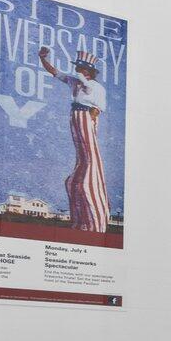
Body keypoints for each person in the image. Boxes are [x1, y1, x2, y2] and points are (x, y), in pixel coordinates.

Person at [37, 44, 112, 234]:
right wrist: (43, 59)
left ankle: (96, 217)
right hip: (75, 116)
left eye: (80, 68)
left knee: (90, 156)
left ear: (88, 71)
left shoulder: (95, 86)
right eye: (77, 67)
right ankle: (81, 218)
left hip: (87, 116)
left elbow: (95, 103)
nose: (77, 70)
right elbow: (55, 72)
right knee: (83, 157)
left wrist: (93, 114)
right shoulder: (75, 80)